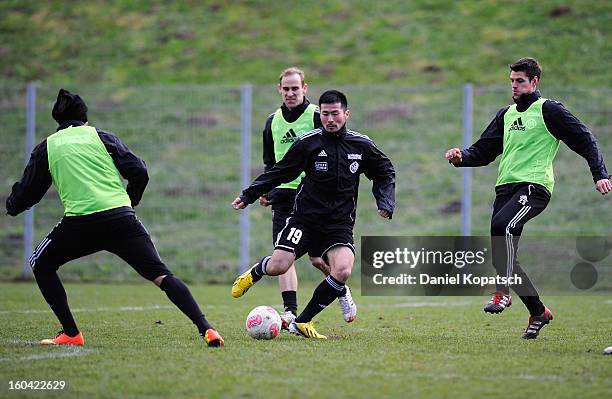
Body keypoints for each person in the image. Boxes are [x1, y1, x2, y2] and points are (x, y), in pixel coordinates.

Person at [5, 89, 224, 347]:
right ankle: (207, 328)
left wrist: (12, 206)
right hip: (121, 219)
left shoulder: (48, 147)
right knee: (162, 276)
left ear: (58, 121)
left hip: (80, 224)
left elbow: (29, 191)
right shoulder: (101, 137)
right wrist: (132, 199)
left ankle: (71, 333)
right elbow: (139, 170)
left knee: (40, 262)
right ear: (84, 118)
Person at [445, 57, 611, 339]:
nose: (514, 86)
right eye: (511, 81)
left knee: (502, 228)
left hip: (534, 187)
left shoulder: (549, 110)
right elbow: (484, 152)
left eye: (520, 81)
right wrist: (462, 157)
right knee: (505, 251)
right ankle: (538, 312)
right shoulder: (506, 115)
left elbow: (585, 139)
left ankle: (502, 291)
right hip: (505, 189)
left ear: (534, 82)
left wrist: (600, 174)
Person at [231, 90, 395, 339]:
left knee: (342, 270)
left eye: (335, 114)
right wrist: (248, 195)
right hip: (304, 220)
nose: (330, 119)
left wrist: (385, 201)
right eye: (325, 114)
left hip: (338, 224)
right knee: (279, 266)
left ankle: (302, 321)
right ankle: (256, 271)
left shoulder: (361, 145)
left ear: (346, 114)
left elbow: (384, 170)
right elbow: (280, 172)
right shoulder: (308, 143)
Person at [260, 67, 357, 328]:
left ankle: (341, 289)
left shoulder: (318, 116)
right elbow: (270, 162)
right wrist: (265, 189)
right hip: (283, 197)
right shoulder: (272, 121)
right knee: (283, 256)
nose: (290, 93)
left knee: (317, 259)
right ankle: (290, 312)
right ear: (279, 89)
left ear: (305, 88)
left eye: (295, 88)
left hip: (313, 200)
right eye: (286, 88)